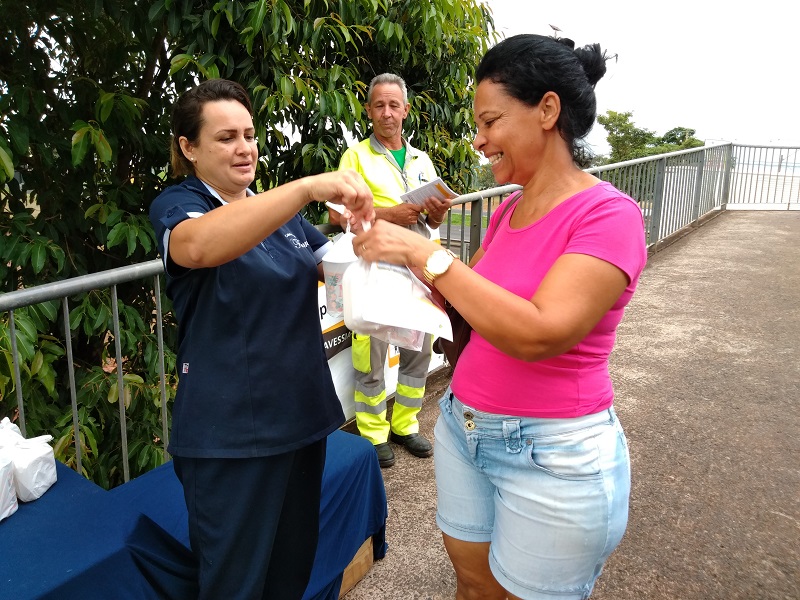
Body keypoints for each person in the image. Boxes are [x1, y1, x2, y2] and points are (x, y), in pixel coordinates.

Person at [351, 34, 647, 599]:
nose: (479, 140)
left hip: (553, 452)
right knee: (473, 584)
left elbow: (540, 332)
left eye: (490, 122)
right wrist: (393, 274)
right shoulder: (508, 208)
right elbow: (469, 303)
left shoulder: (609, 214)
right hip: (467, 431)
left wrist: (424, 254)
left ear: (547, 111)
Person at [148, 78, 374, 600]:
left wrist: (391, 235)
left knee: (290, 572)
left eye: (249, 134)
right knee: (236, 584)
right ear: (189, 148)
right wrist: (305, 187)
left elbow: (338, 263)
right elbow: (200, 248)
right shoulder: (178, 205)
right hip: (232, 437)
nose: (244, 148)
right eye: (226, 137)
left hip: (300, 419)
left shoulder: (279, 215)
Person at [337, 73, 452, 468]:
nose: (387, 113)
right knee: (371, 349)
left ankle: (405, 425)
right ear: (369, 111)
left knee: (418, 349)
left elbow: (432, 222)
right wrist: (391, 214)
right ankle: (373, 433)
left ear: (405, 110)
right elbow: (339, 214)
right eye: (379, 105)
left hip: (420, 267)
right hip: (378, 266)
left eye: (394, 105)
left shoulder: (421, 158)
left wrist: (435, 212)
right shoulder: (354, 157)